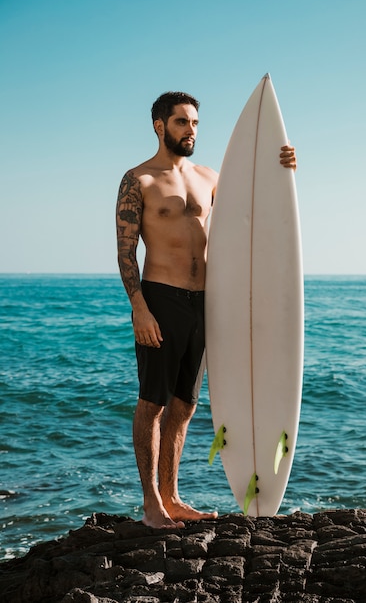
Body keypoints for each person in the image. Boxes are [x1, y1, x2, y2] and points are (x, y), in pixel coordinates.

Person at [116, 91, 297, 529]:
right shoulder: (138, 180)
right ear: (160, 126)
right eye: (181, 122)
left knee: (184, 406)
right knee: (152, 404)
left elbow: (256, 208)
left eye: (195, 123)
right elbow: (125, 251)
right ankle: (151, 504)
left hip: (206, 303)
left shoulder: (210, 177)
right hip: (161, 298)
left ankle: (173, 496)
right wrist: (139, 308)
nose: (190, 130)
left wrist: (284, 168)